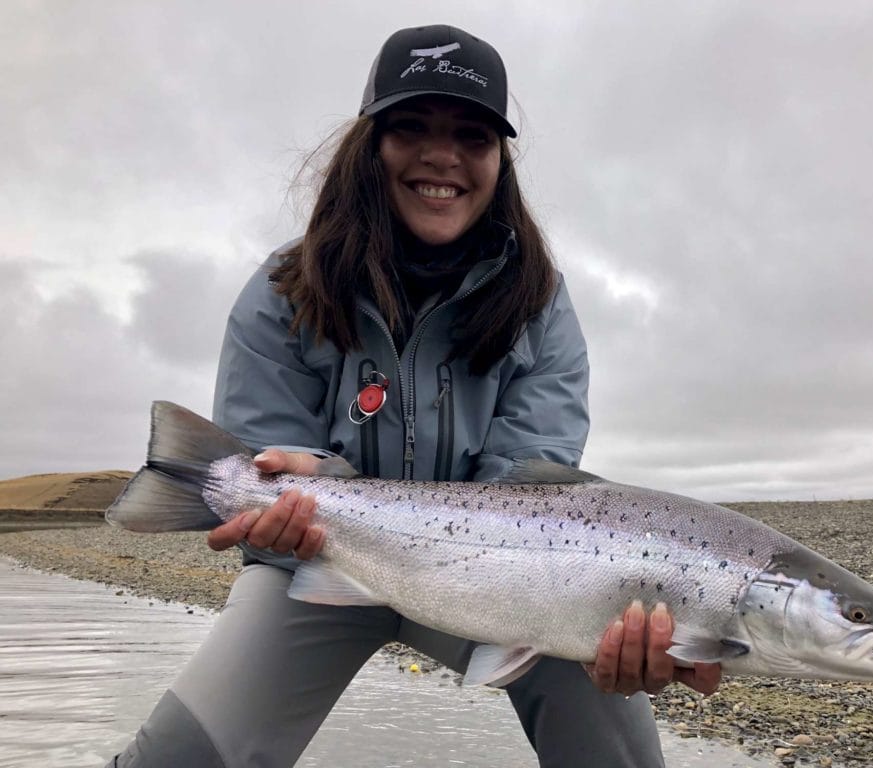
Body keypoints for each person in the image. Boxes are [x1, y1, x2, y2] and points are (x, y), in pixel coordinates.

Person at [108, 24, 719, 768]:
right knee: (179, 759)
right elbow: (268, 447)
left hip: (496, 584)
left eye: (473, 136)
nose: (443, 156)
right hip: (319, 566)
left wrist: (632, 631)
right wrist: (287, 493)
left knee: (618, 739)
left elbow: (529, 488)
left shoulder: (540, 303)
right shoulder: (282, 291)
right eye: (411, 129)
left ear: (501, 161)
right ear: (370, 147)